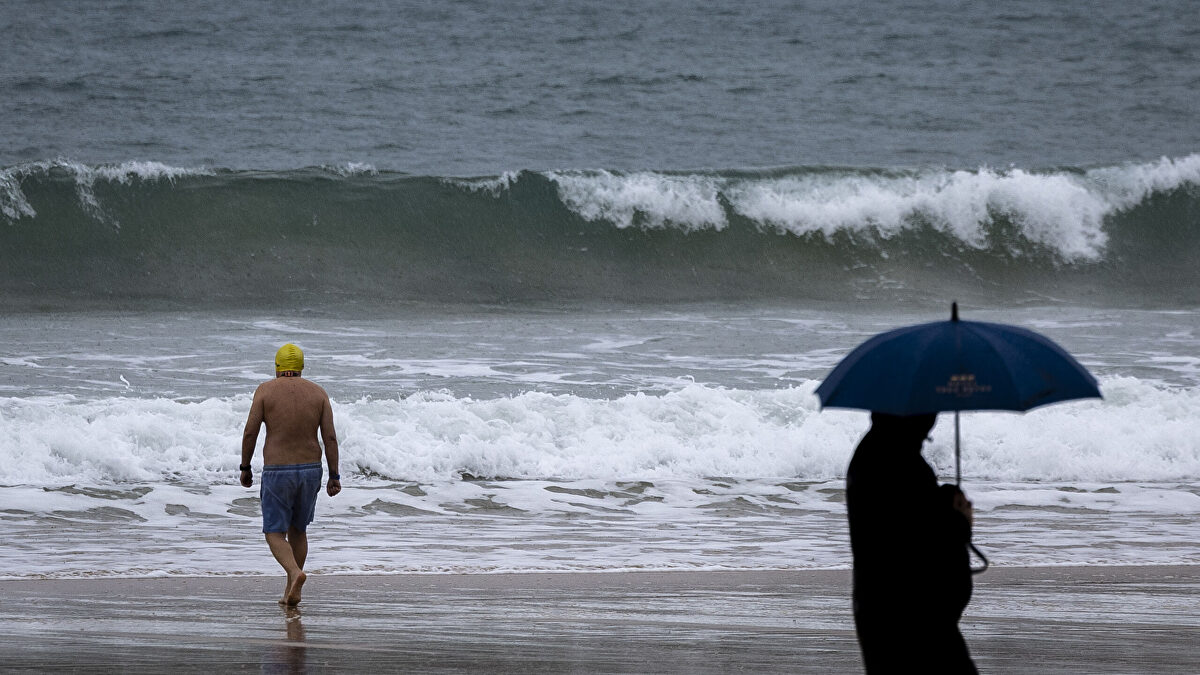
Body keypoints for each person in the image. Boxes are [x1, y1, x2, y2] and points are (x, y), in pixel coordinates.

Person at [845, 412, 976, 674]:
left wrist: (943, 504)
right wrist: (959, 520)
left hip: (880, 611)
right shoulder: (902, 463)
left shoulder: (874, 452)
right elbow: (923, 547)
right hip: (915, 620)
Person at [240, 343, 341, 606]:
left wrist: (245, 467)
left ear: (277, 367)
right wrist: (335, 475)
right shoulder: (318, 393)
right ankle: (290, 590)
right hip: (310, 470)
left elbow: (250, 432)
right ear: (301, 367)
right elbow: (330, 437)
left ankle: (294, 573)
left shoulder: (265, 391)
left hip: (278, 470)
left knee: (274, 532)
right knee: (299, 529)